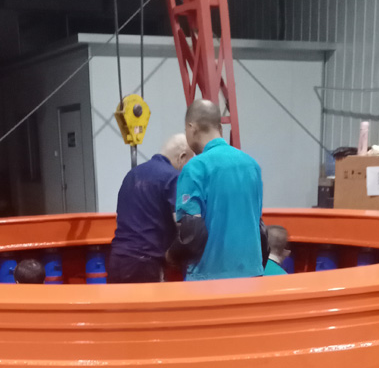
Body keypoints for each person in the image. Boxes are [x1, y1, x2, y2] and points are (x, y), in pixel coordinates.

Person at [167, 99, 265, 280]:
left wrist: (171, 256)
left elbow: (192, 233)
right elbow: (259, 226)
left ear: (191, 128)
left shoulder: (195, 168)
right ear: (220, 128)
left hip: (209, 279)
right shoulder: (252, 166)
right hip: (252, 276)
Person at [108, 134, 193, 283]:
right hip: (145, 264)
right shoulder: (173, 177)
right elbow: (184, 225)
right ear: (182, 157)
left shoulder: (132, 175)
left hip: (117, 259)